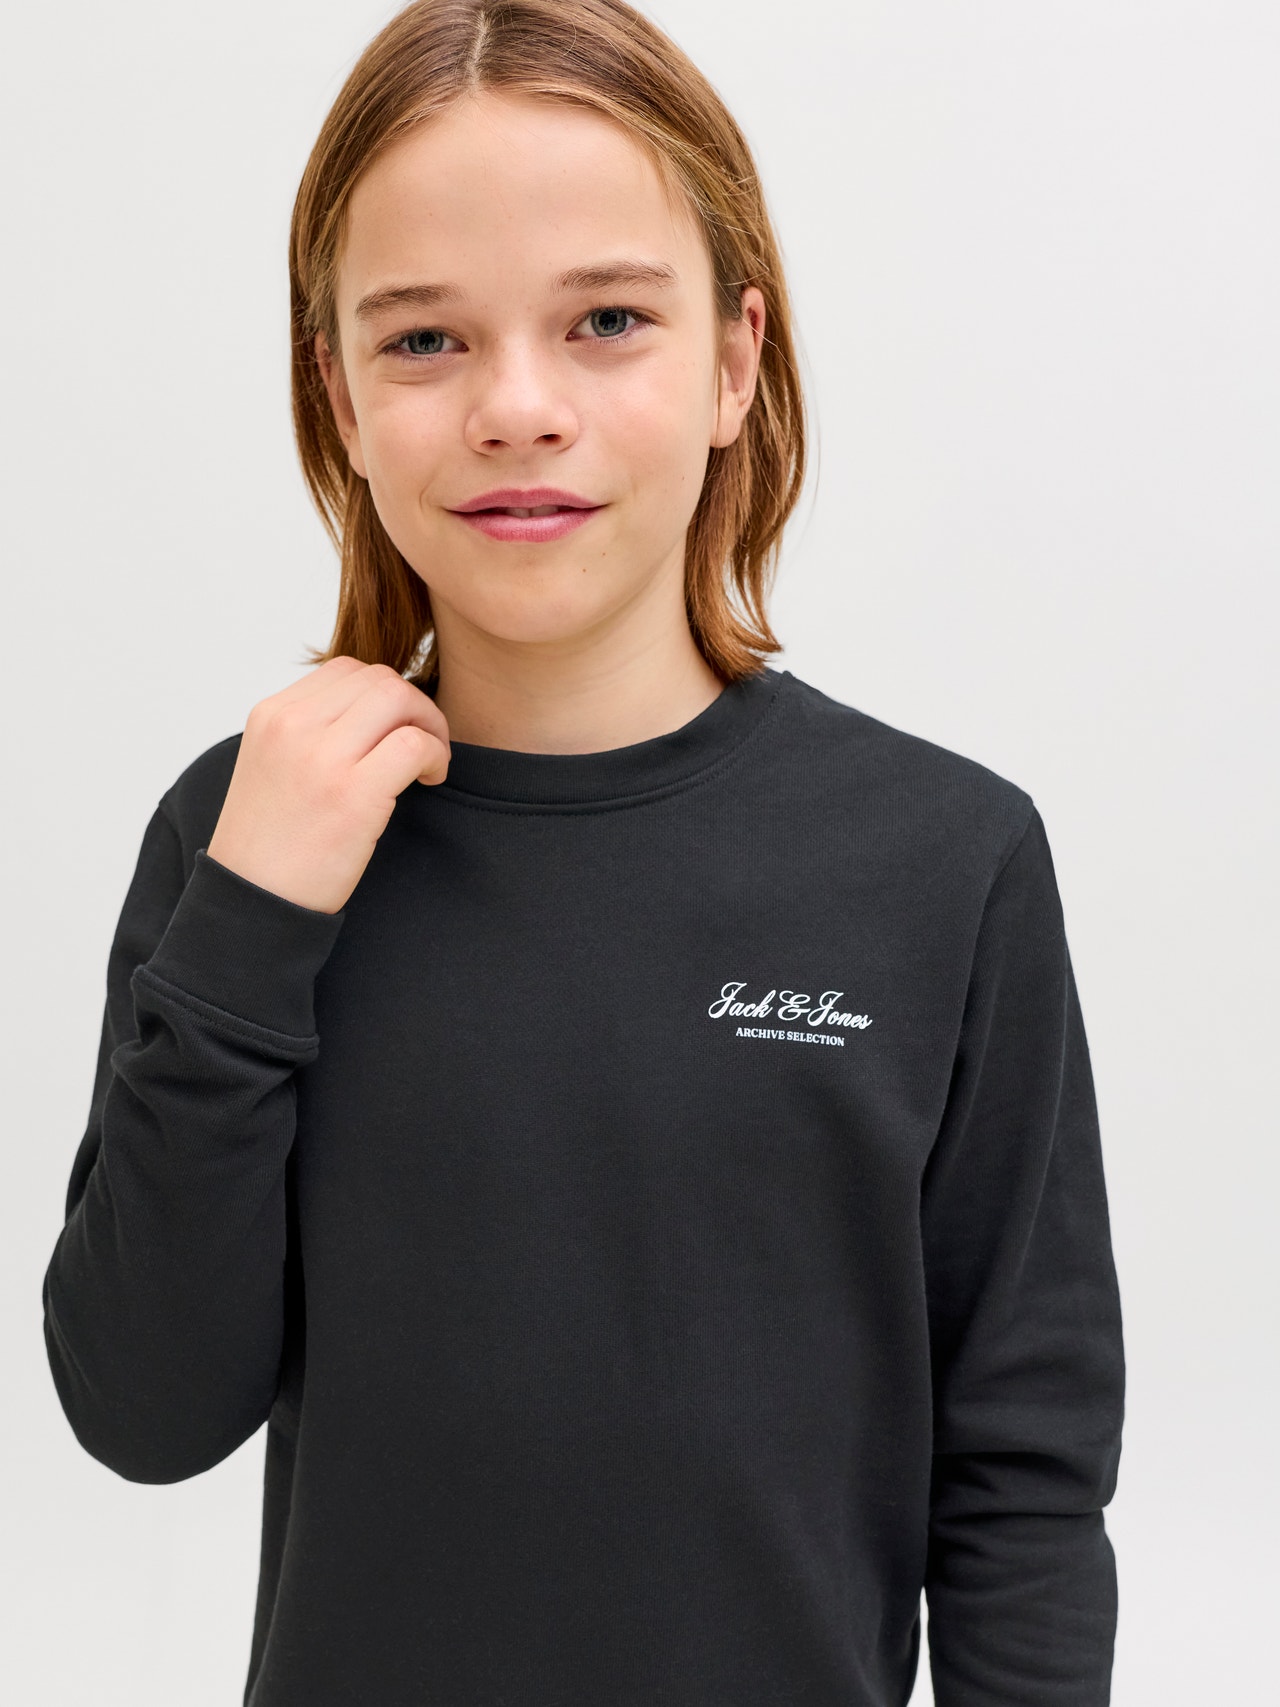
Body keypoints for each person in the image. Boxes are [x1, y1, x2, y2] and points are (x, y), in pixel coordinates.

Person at [40, 2, 1125, 1703]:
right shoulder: (242, 837)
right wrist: (247, 925)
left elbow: (1024, 1477)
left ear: (736, 360)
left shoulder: (944, 859)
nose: (518, 408)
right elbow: (144, 1410)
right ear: (338, 392)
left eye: (608, 319)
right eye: (424, 339)